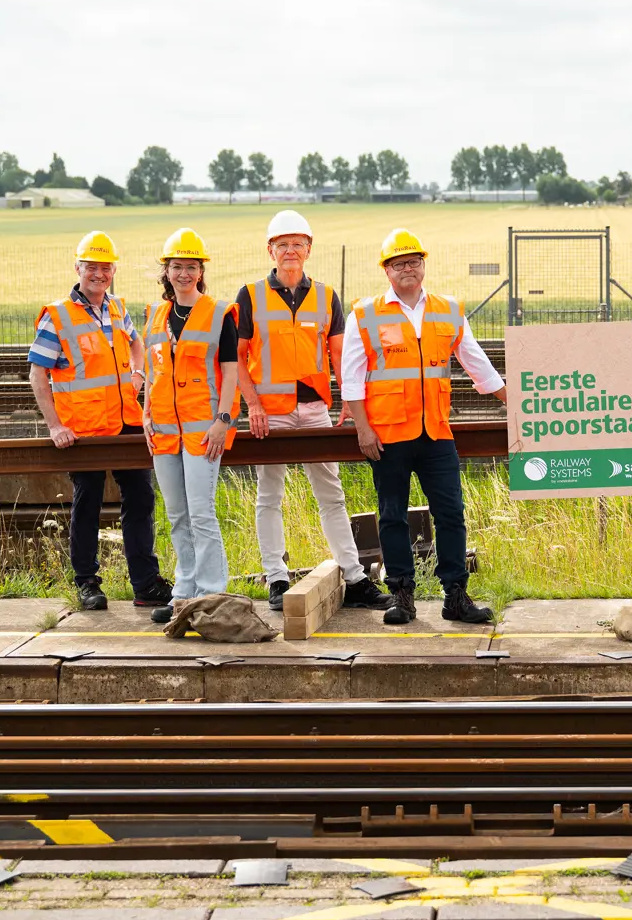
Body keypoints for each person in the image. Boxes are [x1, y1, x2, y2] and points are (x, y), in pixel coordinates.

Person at [341, 229, 506, 626]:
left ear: (423, 265)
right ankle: (402, 596)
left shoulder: (449, 310)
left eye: (413, 261)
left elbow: (476, 361)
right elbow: (351, 377)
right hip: (388, 435)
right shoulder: (365, 314)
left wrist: (512, 402)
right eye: (399, 263)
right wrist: (363, 429)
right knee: (392, 515)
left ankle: (456, 596)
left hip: (436, 432)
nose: (407, 269)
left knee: (451, 513)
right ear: (386, 270)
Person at [235, 209, 391, 613]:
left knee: (331, 495)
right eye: (282, 245)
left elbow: (341, 357)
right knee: (269, 496)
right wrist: (252, 405)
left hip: (316, 410)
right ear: (270, 250)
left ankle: (354, 578)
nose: (290, 251)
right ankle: (276, 578)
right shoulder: (249, 296)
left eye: (297, 244)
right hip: (271, 414)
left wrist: (347, 403)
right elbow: (236, 359)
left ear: (308, 250)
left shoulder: (326, 296)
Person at [26, 231, 171, 614]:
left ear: (112, 271)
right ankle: (88, 583)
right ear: (78, 268)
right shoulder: (57, 316)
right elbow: (37, 374)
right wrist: (55, 426)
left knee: (140, 499)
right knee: (87, 503)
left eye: (105, 268)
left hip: (126, 421)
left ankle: (145, 584)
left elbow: (136, 344)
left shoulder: (118, 308)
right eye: (92, 267)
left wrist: (138, 375)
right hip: (82, 428)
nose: (99, 274)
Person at [142, 228, 239, 625]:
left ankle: (211, 593)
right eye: (176, 267)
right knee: (177, 515)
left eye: (191, 267)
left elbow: (232, 373)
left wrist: (224, 419)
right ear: (166, 272)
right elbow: (153, 371)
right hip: (164, 430)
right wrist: (146, 413)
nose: (184, 273)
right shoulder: (155, 315)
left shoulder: (219, 314)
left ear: (201, 271)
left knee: (201, 513)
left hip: (204, 430)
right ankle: (183, 593)